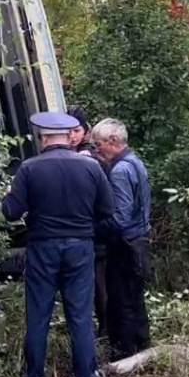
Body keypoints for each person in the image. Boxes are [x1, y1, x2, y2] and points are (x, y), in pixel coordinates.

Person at [1, 111, 115, 377]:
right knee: (80, 317)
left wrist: (8, 196)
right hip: (80, 248)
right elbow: (108, 211)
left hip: (42, 249)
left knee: (38, 315)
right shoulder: (91, 168)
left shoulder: (29, 168)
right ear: (68, 137)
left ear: (43, 137)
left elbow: (11, 213)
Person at [90, 117, 153, 360]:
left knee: (121, 300)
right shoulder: (136, 162)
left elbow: (120, 217)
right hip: (139, 240)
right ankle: (141, 346)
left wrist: (92, 228)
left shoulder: (120, 170)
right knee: (135, 298)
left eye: (98, 145)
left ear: (113, 141)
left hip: (125, 244)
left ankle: (125, 353)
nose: (97, 151)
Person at [68, 104, 108, 339]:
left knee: (98, 281)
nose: (73, 136)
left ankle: (104, 328)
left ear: (86, 130)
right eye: (69, 132)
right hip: (85, 228)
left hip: (95, 229)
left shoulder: (91, 156)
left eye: (76, 131)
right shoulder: (74, 155)